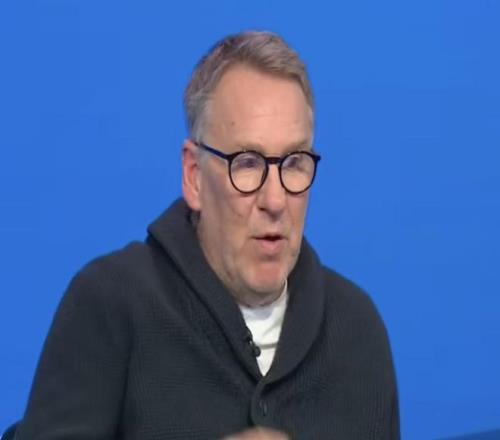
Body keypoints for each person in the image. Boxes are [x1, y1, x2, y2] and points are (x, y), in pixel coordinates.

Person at [17, 31, 399, 439]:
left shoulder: (356, 327)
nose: (275, 200)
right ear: (194, 175)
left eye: (293, 162)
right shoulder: (110, 302)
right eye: (247, 163)